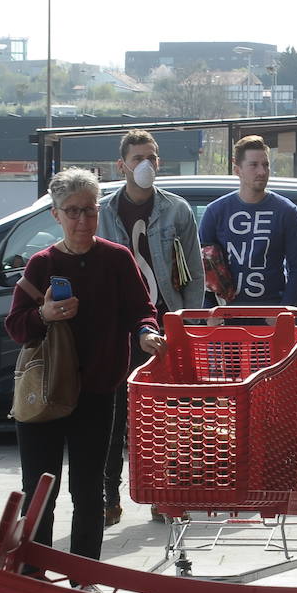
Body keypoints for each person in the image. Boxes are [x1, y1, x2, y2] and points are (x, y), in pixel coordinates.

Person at [5, 168, 165, 570]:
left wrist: (146, 334)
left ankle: (84, 575)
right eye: (72, 211)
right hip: (44, 390)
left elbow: (141, 310)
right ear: (56, 215)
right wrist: (44, 314)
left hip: (97, 389)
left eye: (89, 211)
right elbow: (15, 326)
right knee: (38, 488)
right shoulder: (42, 264)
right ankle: (33, 575)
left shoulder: (116, 258)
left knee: (88, 489)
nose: (82, 221)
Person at [96, 130, 204, 527]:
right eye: (139, 157)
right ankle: (109, 496)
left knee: (163, 417)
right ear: (121, 164)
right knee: (112, 417)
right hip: (115, 331)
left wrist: (186, 325)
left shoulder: (177, 211)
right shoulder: (103, 212)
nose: (147, 164)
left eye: (153, 157)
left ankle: (163, 494)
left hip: (163, 326)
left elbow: (194, 276)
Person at [199, 135, 297, 306]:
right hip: (226, 313)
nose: (262, 172)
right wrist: (210, 312)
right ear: (237, 169)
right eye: (254, 165)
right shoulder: (215, 211)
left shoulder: (286, 211)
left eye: (266, 165)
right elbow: (203, 267)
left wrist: (283, 310)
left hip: (271, 311)